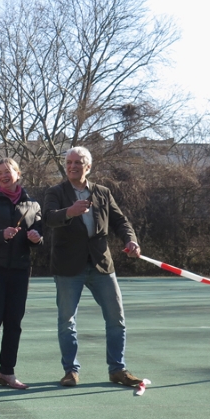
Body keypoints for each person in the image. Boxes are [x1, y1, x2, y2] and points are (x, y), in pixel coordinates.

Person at [43, 146, 142, 388]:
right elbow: (48, 218)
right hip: (68, 267)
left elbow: (120, 221)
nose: (72, 166)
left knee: (116, 318)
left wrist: (131, 240)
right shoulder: (56, 192)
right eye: (69, 163)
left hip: (101, 264)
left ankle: (117, 370)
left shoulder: (102, 192)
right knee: (67, 322)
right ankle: (71, 371)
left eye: (78, 162)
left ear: (88, 167)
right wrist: (69, 212)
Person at [0, 158, 43, 392]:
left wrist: (36, 238)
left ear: (18, 174)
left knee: (14, 323)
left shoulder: (32, 204)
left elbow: (39, 232)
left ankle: (7, 372)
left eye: (8, 171)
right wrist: (0, 234)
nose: (3, 175)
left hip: (20, 270)